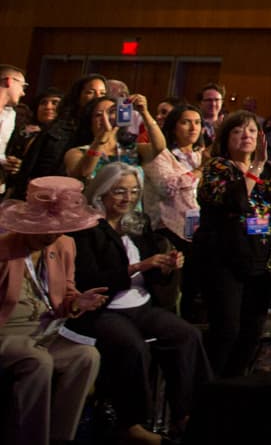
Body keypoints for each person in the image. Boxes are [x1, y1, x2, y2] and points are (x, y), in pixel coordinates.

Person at [69, 163, 211, 444]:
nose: (128, 198)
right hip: (105, 308)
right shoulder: (86, 229)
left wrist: (166, 266)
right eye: (119, 191)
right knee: (131, 346)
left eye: (134, 191)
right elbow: (88, 280)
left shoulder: (137, 222)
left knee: (187, 335)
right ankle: (131, 423)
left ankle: (187, 414)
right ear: (102, 192)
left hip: (142, 304)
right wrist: (136, 267)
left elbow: (151, 272)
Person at [0, 177, 108, 445]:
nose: (51, 236)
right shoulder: (3, 250)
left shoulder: (64, 245)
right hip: (6, 332)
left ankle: (61, 437)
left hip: (46, 329)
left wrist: (75, 302)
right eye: (45, 229)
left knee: (86, 355)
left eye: (58, 229)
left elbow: (67, 291)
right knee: (38, 361)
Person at [194, 110, 271, 376]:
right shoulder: (217, 168)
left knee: (251, 333)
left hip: (258, 262)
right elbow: (235, 201)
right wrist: (256, 166)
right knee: (227, 331)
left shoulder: (266, 170)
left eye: (252, 130)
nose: (246, 136)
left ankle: (233, 388)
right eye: (238, 131)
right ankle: (208, 391)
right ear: (226, 138)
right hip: (223, 262)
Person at [141, 103, 204, 317]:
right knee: (168, 289)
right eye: (186, 122)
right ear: (173, 127)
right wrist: (198, 172)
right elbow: (167, 187)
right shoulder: (160, 154)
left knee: (192, 287)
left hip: (194, 227)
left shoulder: (200, 155)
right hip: (166, 229)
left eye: (197, 122)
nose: (193, 127)